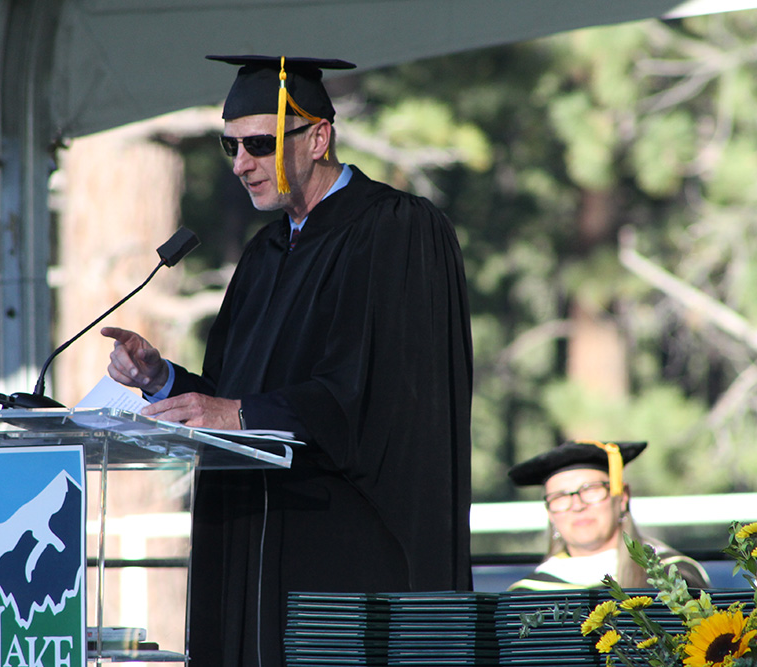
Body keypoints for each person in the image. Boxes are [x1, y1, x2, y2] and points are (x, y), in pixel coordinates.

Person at [102, 55, 473, 667]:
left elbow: (382, 392)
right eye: (231, 145)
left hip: (346, 543)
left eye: (259, 143)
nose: (242, 163)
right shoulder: (266, 252)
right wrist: (162, 380)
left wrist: (241, 411)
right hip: (251, 541)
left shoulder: (398, 229)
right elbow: (232, 395)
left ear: (319, 136)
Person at [506, 439, 710, 591]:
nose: (577, 505)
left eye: (591, 490)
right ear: (549, 512)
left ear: (622, 498)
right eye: (560, 497)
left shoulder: (674, 575)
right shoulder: (527, 592)